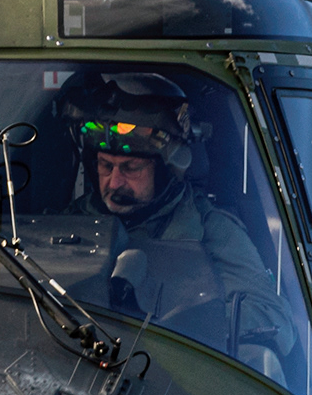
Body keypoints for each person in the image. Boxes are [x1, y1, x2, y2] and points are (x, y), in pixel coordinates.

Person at [57, 71, 285, 347]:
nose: (114, 182)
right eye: (106, 166)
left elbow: (272, 319)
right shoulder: (68, 223)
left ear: (167, 169)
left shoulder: (210, 230)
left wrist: (182, 324)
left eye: (131, 168)